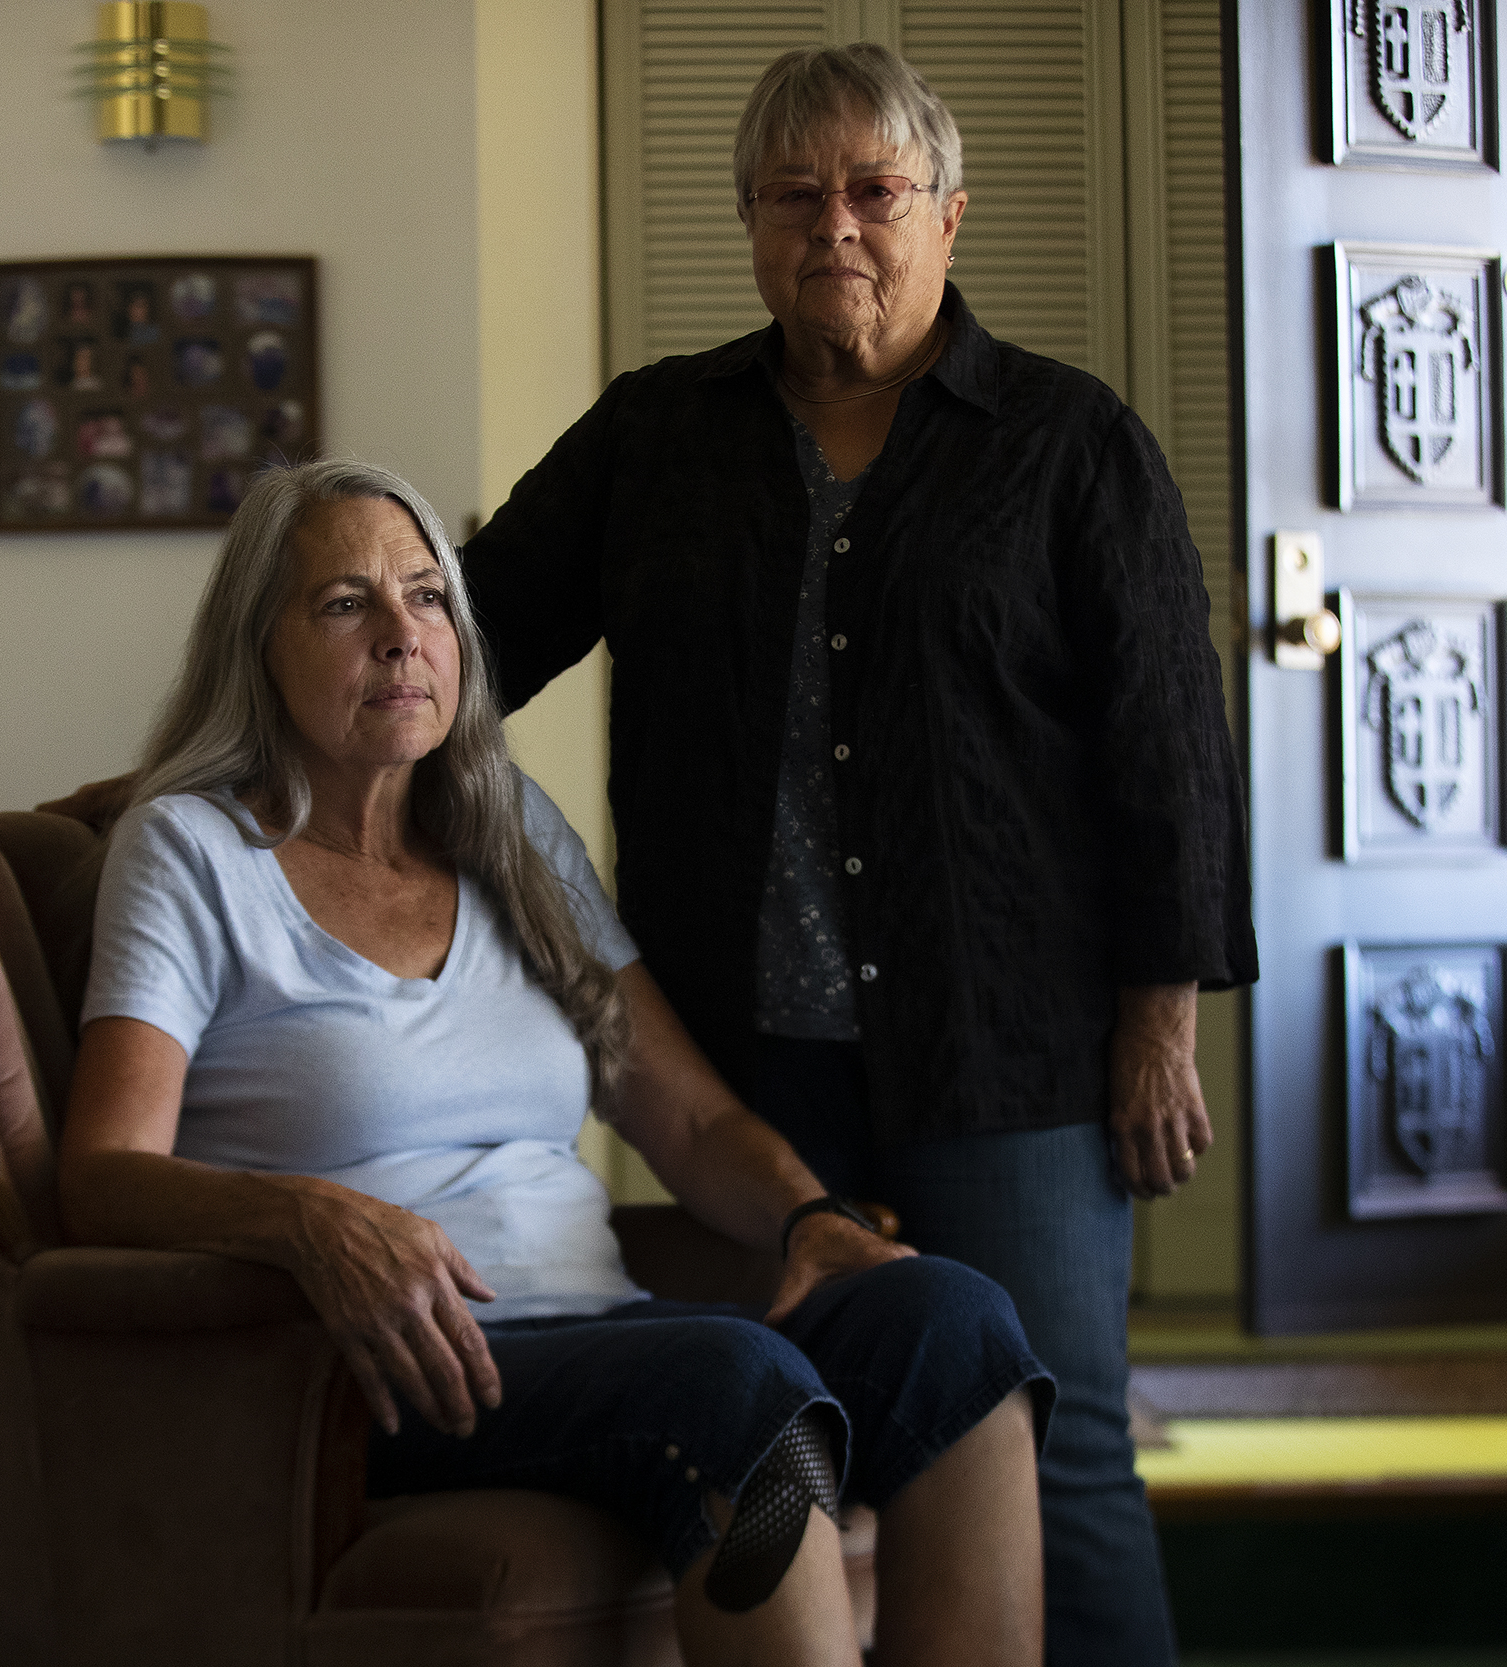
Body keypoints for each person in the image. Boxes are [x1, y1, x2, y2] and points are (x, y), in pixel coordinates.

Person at [459, 43, 1255, 1667]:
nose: (839, 224)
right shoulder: (653, 439)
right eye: (797, 193)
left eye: (876, 191)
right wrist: (246, 763)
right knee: (780, 1443)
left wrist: (1157, 1022)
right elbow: (451, 645)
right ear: (748, 224)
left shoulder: (1069, 445)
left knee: (1051, 1437)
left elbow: (1169, 752)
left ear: (950, 217)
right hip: (742, 1075)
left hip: (1009, 1054)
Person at [58, 458, 1053, 1667]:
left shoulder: (507, 831)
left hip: (608, 1335)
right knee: (740, 1391)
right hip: (391, 1369)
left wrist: (810, 1219)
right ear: (255, 643)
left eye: (428, 597)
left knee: (954, 1323)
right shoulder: (192, 853)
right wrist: (306, 1218)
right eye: (344, 604)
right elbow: (102, 1171)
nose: (399, 636)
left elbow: (682, 1120)